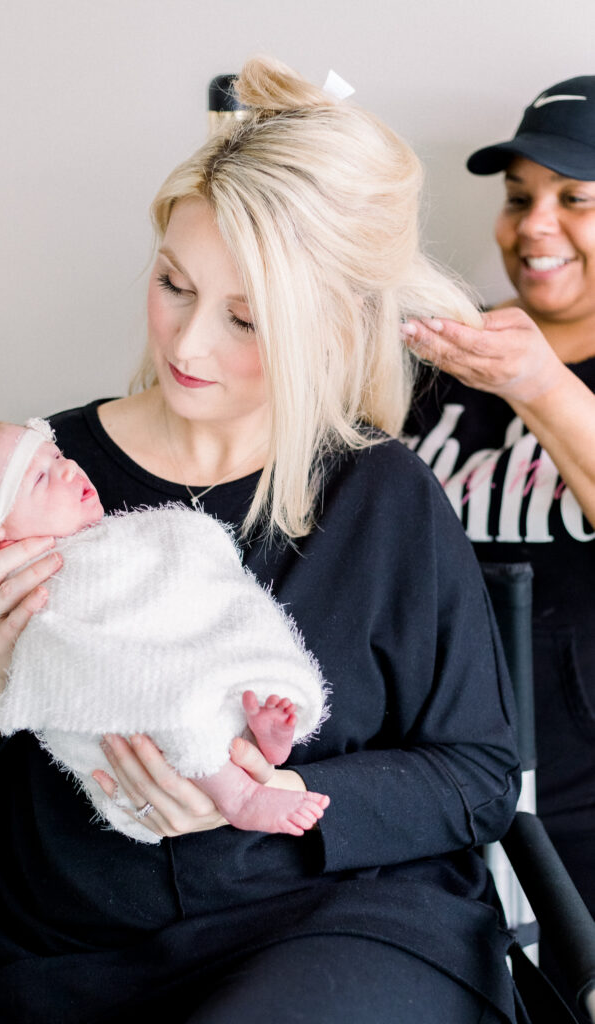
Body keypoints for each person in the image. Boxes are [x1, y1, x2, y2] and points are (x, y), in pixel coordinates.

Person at [0, 55, 521, 1023]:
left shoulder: (380, 497)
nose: (188, 346)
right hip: (69, 958)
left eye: (245, 318)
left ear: (328, 328)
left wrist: (285, 795)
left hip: (334, 929)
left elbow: (478, 779)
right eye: (173, 284)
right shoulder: (33, 474)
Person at [403, 76, 595, 1021]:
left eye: (577, 199)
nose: (536, 226)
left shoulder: (522, 366)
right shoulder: (449, 356)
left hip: (580, 793)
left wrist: (543, 385)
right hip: (425, 778)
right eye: (521, 197)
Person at [0, 416, 330, 841]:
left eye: (57, 454)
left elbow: (200, 581)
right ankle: (237, 794)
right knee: (150, 695)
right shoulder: (21, 597)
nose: (69, 467)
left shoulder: (116, 539)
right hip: (123, 745)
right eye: (39, 478)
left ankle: (254, 727)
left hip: (291, 882)